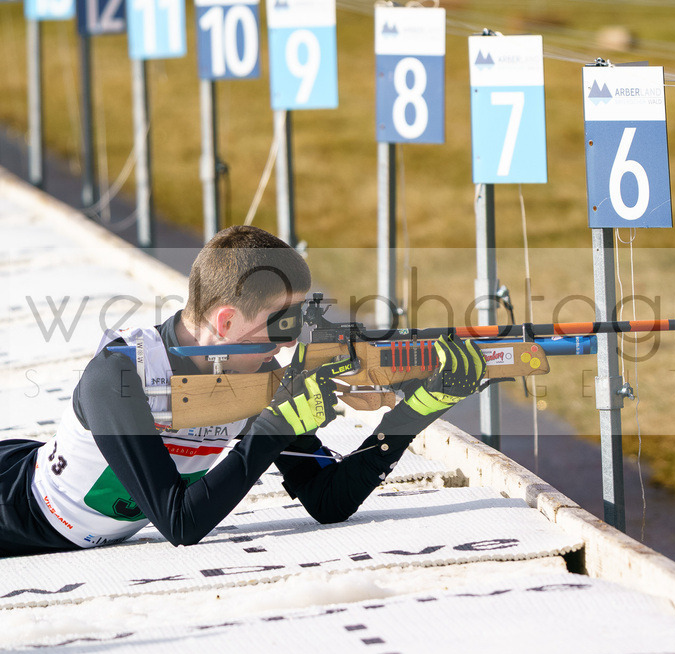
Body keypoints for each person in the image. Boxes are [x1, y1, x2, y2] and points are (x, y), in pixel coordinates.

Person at [0, 225, 484, 557]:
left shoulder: (254, 378)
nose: (290, 342)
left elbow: (327, 499)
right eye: (280, 324)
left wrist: (417, 411)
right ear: (227, 321)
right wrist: (273, 428)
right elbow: (181, 523)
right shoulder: (120, 378)